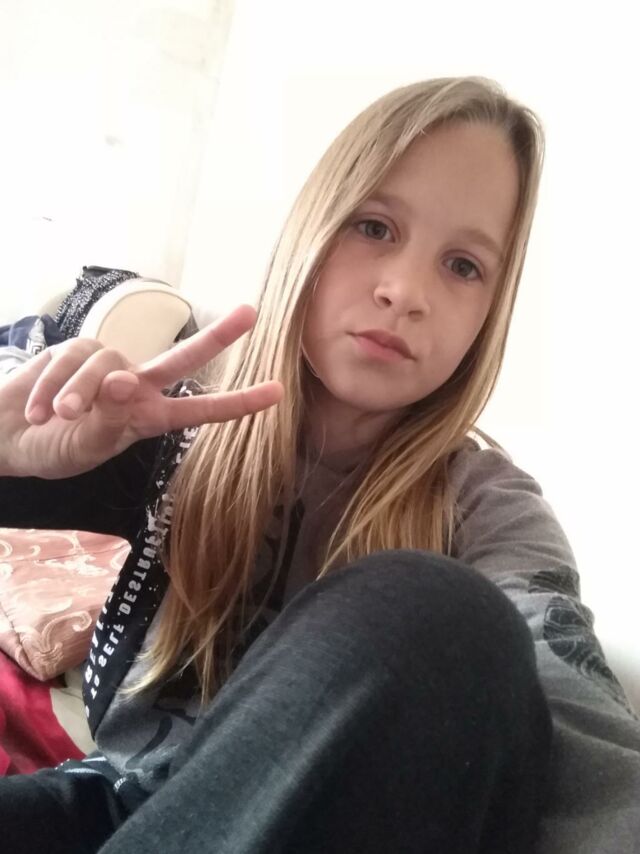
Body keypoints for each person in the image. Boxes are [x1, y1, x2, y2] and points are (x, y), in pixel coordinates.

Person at [0, 75, 638, 854]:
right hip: (121, 800)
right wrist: (9, 452)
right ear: (312, 230)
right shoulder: (170, 428)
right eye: (374, 226)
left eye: (464, 266)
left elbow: (583, 728)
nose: (405, 291)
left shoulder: (487, 510)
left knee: (435, 613)